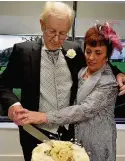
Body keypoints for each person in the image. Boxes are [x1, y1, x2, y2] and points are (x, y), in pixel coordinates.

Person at [0, 1, 125, 161]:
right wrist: (13, 105)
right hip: (35, 134)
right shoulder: (23, 52)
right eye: (52, 31)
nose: (57, 39)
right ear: (42, 24)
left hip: (70, 135)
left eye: (63, 33)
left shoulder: (74, 50)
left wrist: (119, 73)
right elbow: (3, 85)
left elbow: (100, 62)